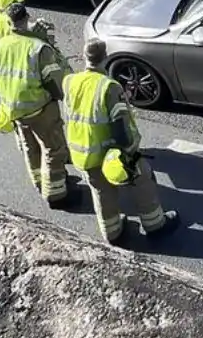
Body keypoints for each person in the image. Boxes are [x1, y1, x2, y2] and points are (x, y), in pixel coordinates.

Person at [63, 40, 178, 246]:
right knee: (142, 182)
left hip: (83, 153)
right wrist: (130, 153)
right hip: (110, 154)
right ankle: (155, 225)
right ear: (106, 58)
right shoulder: (109, 87)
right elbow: (120, 128)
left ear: (83, 57)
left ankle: (113, 233)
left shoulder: (70, 81)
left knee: (101, 193)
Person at [0, 0, 74, 208]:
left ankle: (39, 181)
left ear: (8, 22)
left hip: (14, 109)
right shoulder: (38, 48)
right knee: (53, 150)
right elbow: (55, 80)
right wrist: (59, 98)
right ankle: (56, 194)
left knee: (30, 148)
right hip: (40, 108)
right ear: (27, 18)